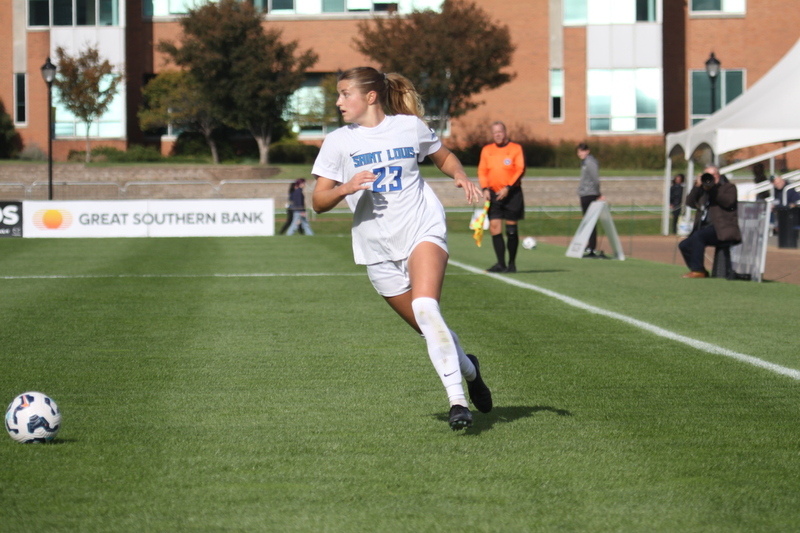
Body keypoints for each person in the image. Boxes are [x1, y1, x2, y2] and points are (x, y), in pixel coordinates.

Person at [311, 67, 492, 431]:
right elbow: (318, 202)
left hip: (421, 228)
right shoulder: (337, 141)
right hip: (375, 247)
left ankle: (457, 401)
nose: (338, 101)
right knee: (429, 327)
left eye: (345, 93)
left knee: (427, 307)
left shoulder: (410, 127)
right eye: (338, 94)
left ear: (371, 97)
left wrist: (459, 174)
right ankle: (469, 369)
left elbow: (443, 156)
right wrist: (345, 188)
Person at [477, 121, 525, 273]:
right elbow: (482, 171)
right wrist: (484, 188)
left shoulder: (515, 149)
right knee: (495, 228)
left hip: (512, 194)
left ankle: (511, 264)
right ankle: (500, 264)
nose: (498, 135)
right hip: (493, 195)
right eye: (495, 132)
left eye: (500, 132)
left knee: (511, 230)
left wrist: (508, 187)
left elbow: (520, 169)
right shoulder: (487, 150)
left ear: (505, 132)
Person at [678, 172, 741, 278]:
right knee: (684, 245)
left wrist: (712, 189)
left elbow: (728, 202)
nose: (710, 178)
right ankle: (700, 270)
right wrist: (697, 186)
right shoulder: (702, 190)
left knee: (699, 236)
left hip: (722, 229)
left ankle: (698, 270)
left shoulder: (728, 187)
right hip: (705, 228)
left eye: (714, 175)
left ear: (718, 175)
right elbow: (690, 202)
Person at [576, 143, 604, 257]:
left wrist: (598, 193)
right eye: (579, 152)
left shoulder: (590, 162)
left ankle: (592, 247)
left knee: (590, 221)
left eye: (582, 151)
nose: (580, 154)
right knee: (587, 221)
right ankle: (589, 245)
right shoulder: (585, 163)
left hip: (590, 194)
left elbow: (595, 179)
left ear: (588, 151)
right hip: (585, 194)